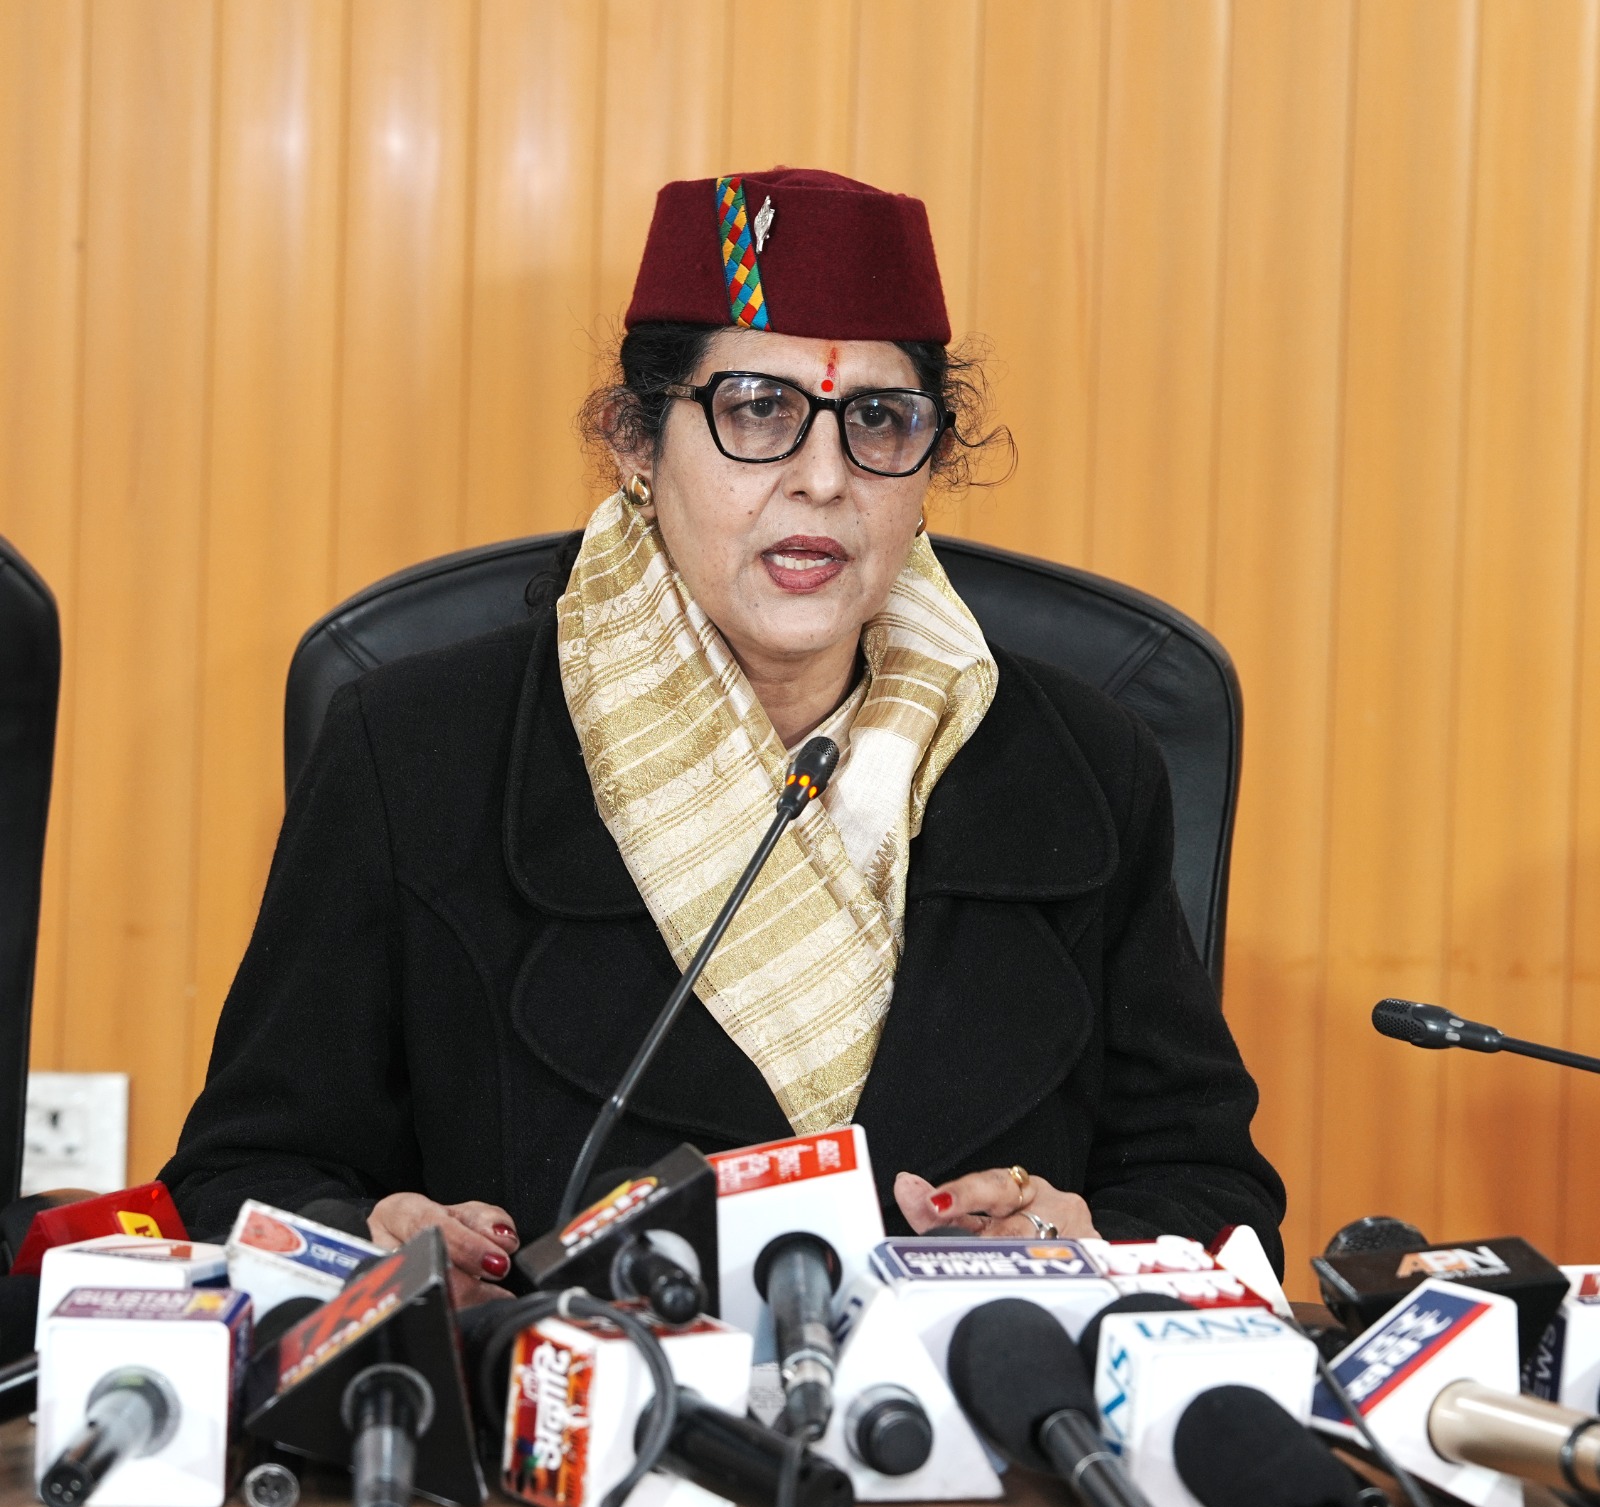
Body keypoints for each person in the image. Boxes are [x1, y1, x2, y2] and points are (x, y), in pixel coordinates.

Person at [161, 169, 1284, 1308]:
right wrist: (365, 1244)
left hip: (966, 1408)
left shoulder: (1077, 765)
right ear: (635, 441)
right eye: (756, 409)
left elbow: (1210, 1193)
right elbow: (242, 1175)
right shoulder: (412, 752)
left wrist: (1087, 1240)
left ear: (929, 464)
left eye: (880, 420)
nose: (823, 479)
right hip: (564, 1405)